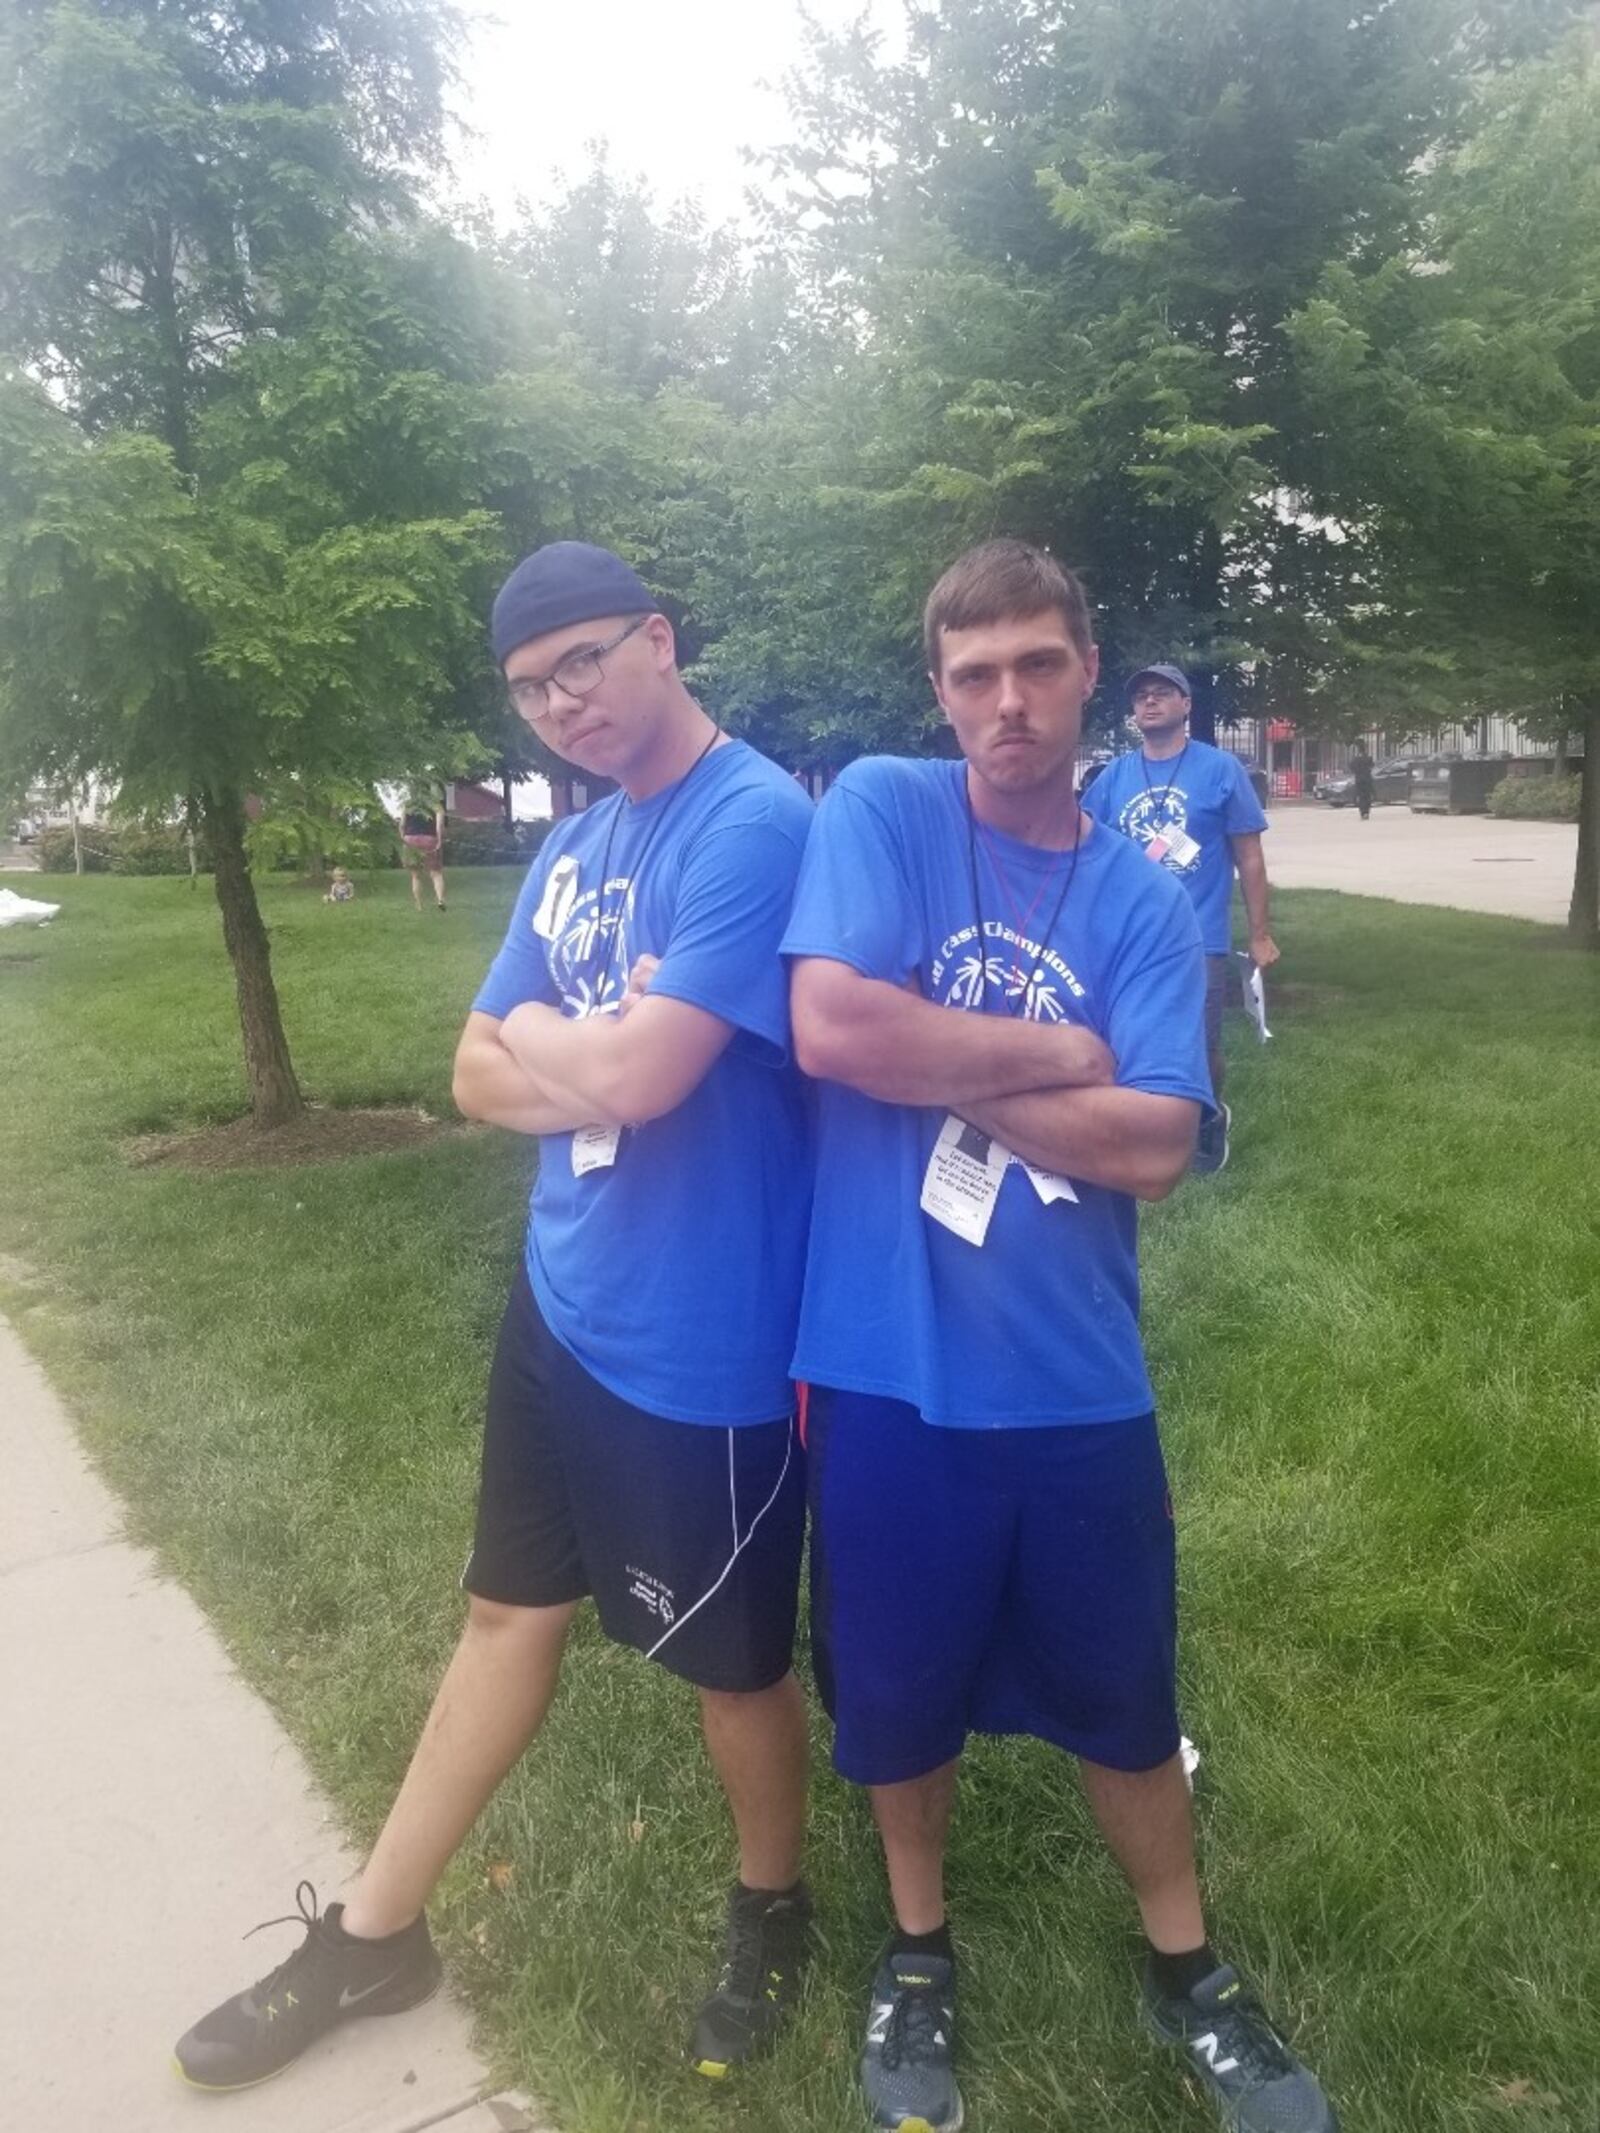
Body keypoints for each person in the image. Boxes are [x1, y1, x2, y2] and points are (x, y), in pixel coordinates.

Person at [174, 542, 815, 2093]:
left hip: (704, 1337)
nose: (560, 703)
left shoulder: (756, 820)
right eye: (530, 686)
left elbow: (647, 1080)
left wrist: (555, 1035)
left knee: (731, 1665)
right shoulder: (574, 851)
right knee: (503, 1614)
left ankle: (773, 1907)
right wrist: (572, 1035)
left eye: (584, 662)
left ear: (661, 639)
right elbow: (474, 1076)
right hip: (564, 1295)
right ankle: (379, 1934)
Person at [783, 539, 1336, 2133]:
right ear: (938, 691)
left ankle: (1191, 1971)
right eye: (974, 674)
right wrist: (1052, 1053)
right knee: (894, 1694)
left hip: (1076, 1374)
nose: (1006, 701)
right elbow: (832, 1025)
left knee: (1121, 1687)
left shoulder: (1143, 900)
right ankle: (916, 1949)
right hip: (882, 1363)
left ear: (1090, 671)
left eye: (1036, 664)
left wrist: (932, 1061)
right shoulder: (886, 808)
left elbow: (1158, 1143)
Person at [1087, 665, 1277, 1172]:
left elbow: (1250, 856)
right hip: (1129, 939)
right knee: (1125, 1035)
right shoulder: (1113, 777)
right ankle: (1143, 1125)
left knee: (1201, 1040)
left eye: (1162, 694)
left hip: (1199, 937)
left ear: (1186, 705)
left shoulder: (1220, 770)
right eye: (1141, 696)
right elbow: (1084, 849)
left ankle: (1208, 1120)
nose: (1150, 703)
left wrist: (1260, 933)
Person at [399, 793, 447, 910]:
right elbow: (439, 826)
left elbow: (402, 824)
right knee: (436, 873)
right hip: (429, 839)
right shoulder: (436, 804)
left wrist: (403, 838)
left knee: (415, 875)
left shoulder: (408, 804)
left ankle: (419, 905)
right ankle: (440, 900)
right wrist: (439, 841)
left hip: (410, 839)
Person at [1350, 743, 1375, 821]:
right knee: (1367, 796)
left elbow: (1351, 767)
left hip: (1359, 780)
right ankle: (1366, 812)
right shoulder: (1368, 758)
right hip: (1367, 779)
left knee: (1361, 797)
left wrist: (1356, 772)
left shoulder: (1355, 759)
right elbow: (1372, 765)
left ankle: (1362, 812)